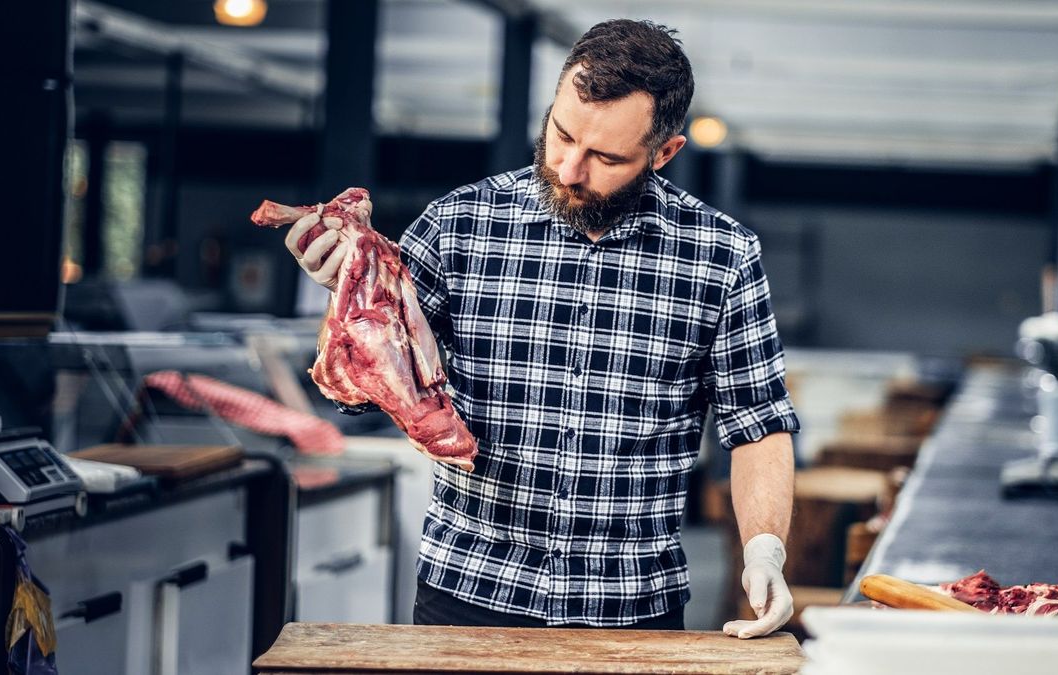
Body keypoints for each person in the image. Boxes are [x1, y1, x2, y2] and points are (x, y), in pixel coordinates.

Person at [286, 19, 799, 639]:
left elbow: (758, 426)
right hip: (467, 592)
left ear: (664, 153)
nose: (570, 168)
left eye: (606, 156)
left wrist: (765, 547)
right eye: (561, 134)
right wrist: (347, 291)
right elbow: (370, 383)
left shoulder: (722, 254)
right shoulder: (459, 224)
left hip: (631, 608)